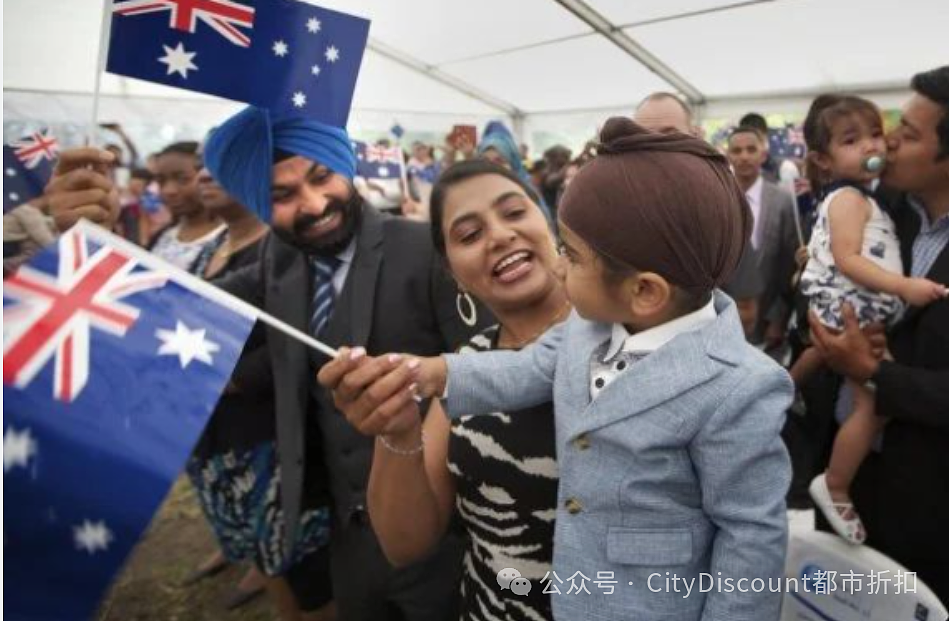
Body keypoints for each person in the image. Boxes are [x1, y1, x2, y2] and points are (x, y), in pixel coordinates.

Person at [323, 119, 793, 621]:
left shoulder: (741, 385)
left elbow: (751, 541)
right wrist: (427, 373)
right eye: (469, 232)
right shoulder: (588, 328)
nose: (560, 265)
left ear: (645, 291)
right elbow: (523, 369)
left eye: (571, 254)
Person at [44, 105, 487, 620]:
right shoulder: (279, 259)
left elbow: (481, 375)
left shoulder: (426, 248)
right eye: (282, 195)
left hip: (446, 531)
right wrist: (94, 247)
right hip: (348, 536)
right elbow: (176, 314)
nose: (315, 203)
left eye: (322, 177)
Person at [324, 159, 567, 620]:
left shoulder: (627, 328)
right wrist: (397, 434)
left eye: (514, 213)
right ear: (452, 272)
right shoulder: (463, 367)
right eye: (469, 235)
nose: (499, 236)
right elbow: (405, 544)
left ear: (548, 222)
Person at [808, 66, 949, 603]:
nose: (886, 142)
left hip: (927, 508)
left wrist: (875, 375)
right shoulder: (880, 205)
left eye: (909, 134)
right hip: (845, 479)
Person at [185, 164, 335, 620]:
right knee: (266, 558)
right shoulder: (208, 249)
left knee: (304, 569)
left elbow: (304, 336)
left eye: (219, 164)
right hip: (217, 441)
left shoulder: (286, 247)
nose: (204, 176)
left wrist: (230, 378)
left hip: (270, 439)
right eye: (197, 169)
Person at [634, 92, 764, 338]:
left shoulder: (721, 205)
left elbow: (746, 310)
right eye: (641, 137)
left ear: (694, 136)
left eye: (668, 135)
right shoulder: (615, 203)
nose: (653, 146)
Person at [725, 126, 800, 350]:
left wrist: (778, 318)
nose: (744, 156)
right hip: (722, 318)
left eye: (751, 149)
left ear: (763, 155)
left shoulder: (782, 201)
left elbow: (789, 265)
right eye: (737, 151)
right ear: (728, 155)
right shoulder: (717, 199)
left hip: (767, 321)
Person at [147, 142, 225, 272]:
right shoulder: (162, 236)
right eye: (161, 181)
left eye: (183, 179)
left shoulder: (229, 240)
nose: (169, 190)